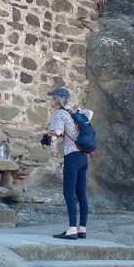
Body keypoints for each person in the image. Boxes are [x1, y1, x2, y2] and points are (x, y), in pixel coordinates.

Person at [42, 86, 92, 239]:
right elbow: (90, 113)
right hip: (83, 156)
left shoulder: (60, 113)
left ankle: (72, 230)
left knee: (68, 193)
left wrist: (46, 132)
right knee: (81, 194)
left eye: (52, 98)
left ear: (56, 99)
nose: (50, 101)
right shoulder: (73, 113)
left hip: (71, 156)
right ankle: (82, 228)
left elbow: (58, 132)